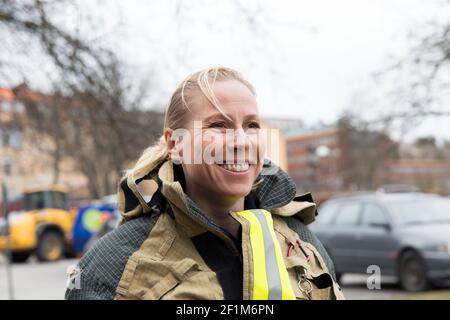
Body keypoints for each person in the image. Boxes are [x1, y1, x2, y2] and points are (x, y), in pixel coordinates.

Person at [65, 67, 345, 300]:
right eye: (218, 126)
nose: (241, 141)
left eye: (252, 126)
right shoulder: (113, 264)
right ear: (175, 144)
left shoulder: (302, 242)